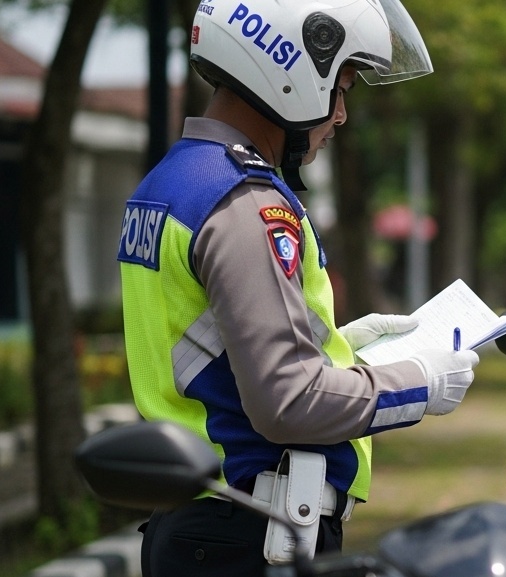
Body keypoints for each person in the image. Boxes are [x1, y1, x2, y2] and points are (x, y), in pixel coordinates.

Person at [116, 1, 479, 575]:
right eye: (342, 89)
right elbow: (287, 402)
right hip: (250, 532)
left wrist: (339, 348)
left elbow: (209, 349)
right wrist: (419, 383)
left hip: (207, 524)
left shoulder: (171, 184)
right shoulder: (245, 202)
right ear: (291, 71)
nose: (342, 116)